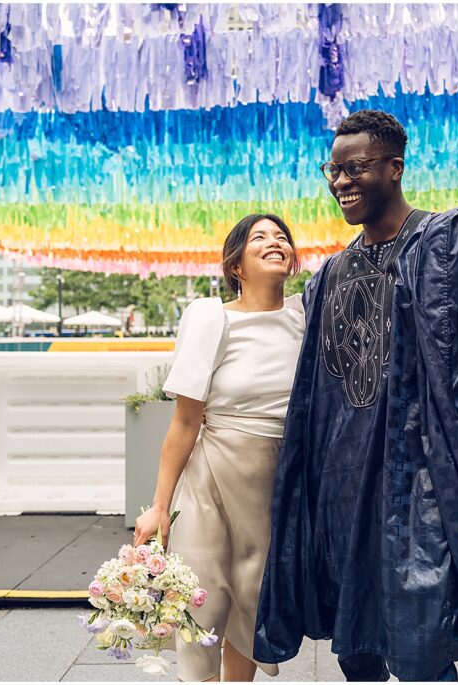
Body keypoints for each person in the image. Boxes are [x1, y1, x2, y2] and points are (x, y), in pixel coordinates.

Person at [253, 110, 458, 682]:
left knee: (425, 640)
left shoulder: (452, 242)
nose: (340, 181)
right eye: (334, 169)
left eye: (356, 168)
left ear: (395, 168)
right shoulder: (327, 275)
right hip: (343, 485)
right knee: (356, 644)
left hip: (422, 481)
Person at [133, 214, 304, 682]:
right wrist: (160, 507)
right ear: (236, 265)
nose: (275, 242)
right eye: (259, 238)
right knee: (203, 596)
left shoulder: (306, 315)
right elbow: (185, 422)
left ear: (292, 259)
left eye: (281, 237)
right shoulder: (211, 318)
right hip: (211, 472)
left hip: (276, 479)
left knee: (254, 595)